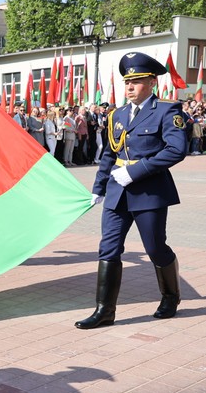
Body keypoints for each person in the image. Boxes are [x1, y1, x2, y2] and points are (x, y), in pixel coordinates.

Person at [76, 52, 187, 329]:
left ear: (151, 82)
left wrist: (134, 172)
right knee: (108, 248)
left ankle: (171, 297)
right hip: (117, 191)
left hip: (148, 192)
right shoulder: (118, 114)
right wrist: (98, 187)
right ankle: (104, 311)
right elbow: (109, 155)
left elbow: (176, 150)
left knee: (155, 247)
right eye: (127, 82)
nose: (129, 87)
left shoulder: (166, 110)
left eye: (136, 81)